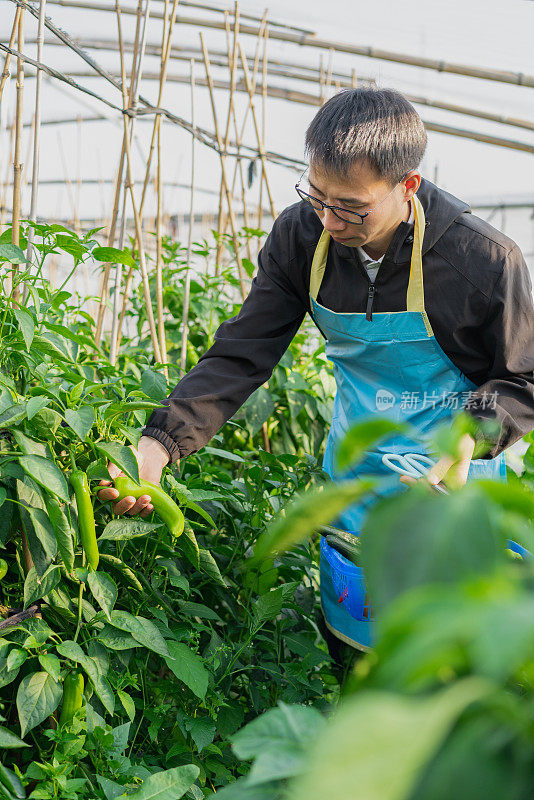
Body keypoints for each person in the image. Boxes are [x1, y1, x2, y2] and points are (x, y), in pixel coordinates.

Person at [98, 87, 534, 655]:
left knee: (449, 673)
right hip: (354, 486)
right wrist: (159, 443)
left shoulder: (480, 259)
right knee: (358, 659)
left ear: (408, 188)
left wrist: (465, 443)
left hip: (452, 488)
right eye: (316, 196)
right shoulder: (302, 238)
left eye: (351, 208)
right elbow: (243, 351)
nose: (329, 219)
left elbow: (524, 378)